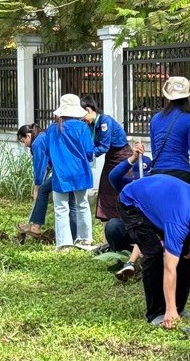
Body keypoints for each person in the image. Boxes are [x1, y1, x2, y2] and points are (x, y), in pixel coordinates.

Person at [119, 173, 190, 327]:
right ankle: (156, 312)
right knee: (154, 253)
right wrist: (169, 309)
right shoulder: (179, 220)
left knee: (188, 253)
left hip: (161, 203)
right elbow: (170, 267)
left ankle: (179, 307)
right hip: (132, 203)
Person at [45, 93, 97, 252]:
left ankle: (64, 244)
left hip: (61, 174)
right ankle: (84, 239)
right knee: (82, 204)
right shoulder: (82, 127)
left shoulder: (52, 129)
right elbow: (89, 152)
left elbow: (48, 151)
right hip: (80, 171)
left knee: (61, 208)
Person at [149, 76, 190, 196]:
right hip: (181, 175)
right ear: (187, 96)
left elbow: (154, 151)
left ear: (168, 96)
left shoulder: (155, 119)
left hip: (157, 175)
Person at [103, 140, 150, 282]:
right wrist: (133, 158)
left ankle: (139, 260)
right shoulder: (129, 186)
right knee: (113, 226)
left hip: (152, 232)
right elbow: (113, 176)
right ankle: (125, 257)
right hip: (131, 229)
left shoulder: (157, 189)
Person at [80, 98, 130, 222]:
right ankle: (109, 224)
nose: (83, 121)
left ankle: (127, 221)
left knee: (123, 189)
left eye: (82, 117)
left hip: (122, 157)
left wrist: (88, 155)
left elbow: (104, 146)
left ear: (89, 110)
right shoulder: (91, 125)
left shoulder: (104, 121)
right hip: (111, 158)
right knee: (105, 189)